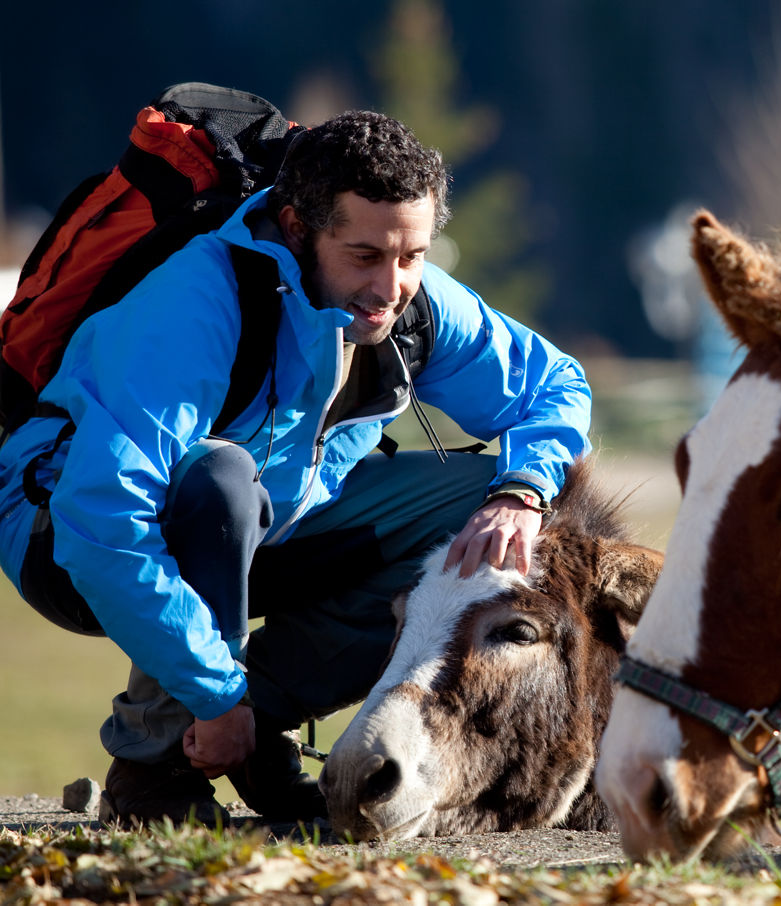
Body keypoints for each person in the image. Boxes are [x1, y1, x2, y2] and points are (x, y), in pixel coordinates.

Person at [0, 111, 592, 826]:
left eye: (413, 256)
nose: (391, 285)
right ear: (295, 227)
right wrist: (213, 693)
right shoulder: (197, 303)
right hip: (61, 537)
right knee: (218, 482)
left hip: (271, 524)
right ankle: (152, 769)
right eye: (365, 256)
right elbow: (104, 523)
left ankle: (255, 728)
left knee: (484, 510)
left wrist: (522, 491)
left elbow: (554, 387)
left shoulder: (413, 306)